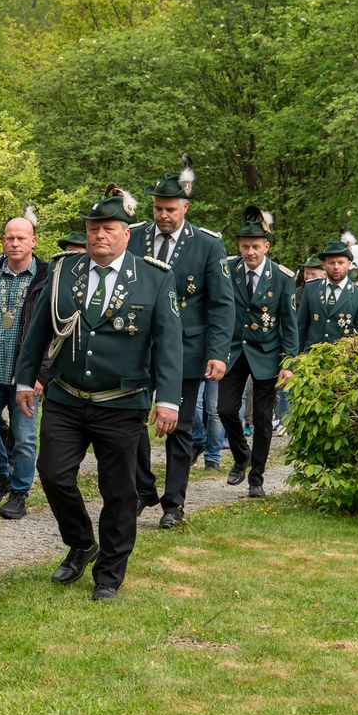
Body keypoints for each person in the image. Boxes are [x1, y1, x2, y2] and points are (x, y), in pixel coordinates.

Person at [17, 186, 182, 600]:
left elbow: (169, 343)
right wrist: (25, 379)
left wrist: (168, 399)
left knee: (120, 491)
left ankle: (109, 572)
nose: (98, 236)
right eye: (93, 229)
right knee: (53, 473)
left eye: (108, 229)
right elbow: (38, 328)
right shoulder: (62, 272)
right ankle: (80, 542)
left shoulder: (154, 278)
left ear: (127, 233)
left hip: (122, 403)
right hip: (67, 397)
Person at [132, 161, 234, 528]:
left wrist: (218, 353)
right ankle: (143, 488)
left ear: (185, 207)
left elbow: (222, 303)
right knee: (129, 420)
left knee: (181, 426)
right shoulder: (133, 237)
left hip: (188, 350)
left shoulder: (207, 245)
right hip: (137, 349)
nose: (163, 216)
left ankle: (173, 504)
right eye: (158, 208)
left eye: (170, 209)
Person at [0, 213, 49, 519]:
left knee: (26, 437)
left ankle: (19, 492)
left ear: (33, 241)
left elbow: (55, 330)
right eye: (9, 238)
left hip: (26, 377)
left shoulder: (48, 277)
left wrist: (41, 374)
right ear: (2, 241)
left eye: (21, 238)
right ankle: (1, 474)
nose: (15, 243)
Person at [219, 208, 298, 497]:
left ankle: (257, 477)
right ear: (238, 246)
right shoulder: (228, 270)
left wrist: (288, 362)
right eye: (244, 246)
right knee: (225, 409)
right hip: (234, 350)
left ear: (266, 246)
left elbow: (290, 324)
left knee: (263, 418)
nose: (250, 252)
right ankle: (242, 455)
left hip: (266, 354)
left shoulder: (281, 278)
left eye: (255, 246)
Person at [296, 238, 358, 349]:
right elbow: (300, 329)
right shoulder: (311, 289)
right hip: (311, 358)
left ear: (349, 264)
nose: (336, 267)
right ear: (323, 265)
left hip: (343, 361)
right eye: (331, 263)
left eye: (341, 262)